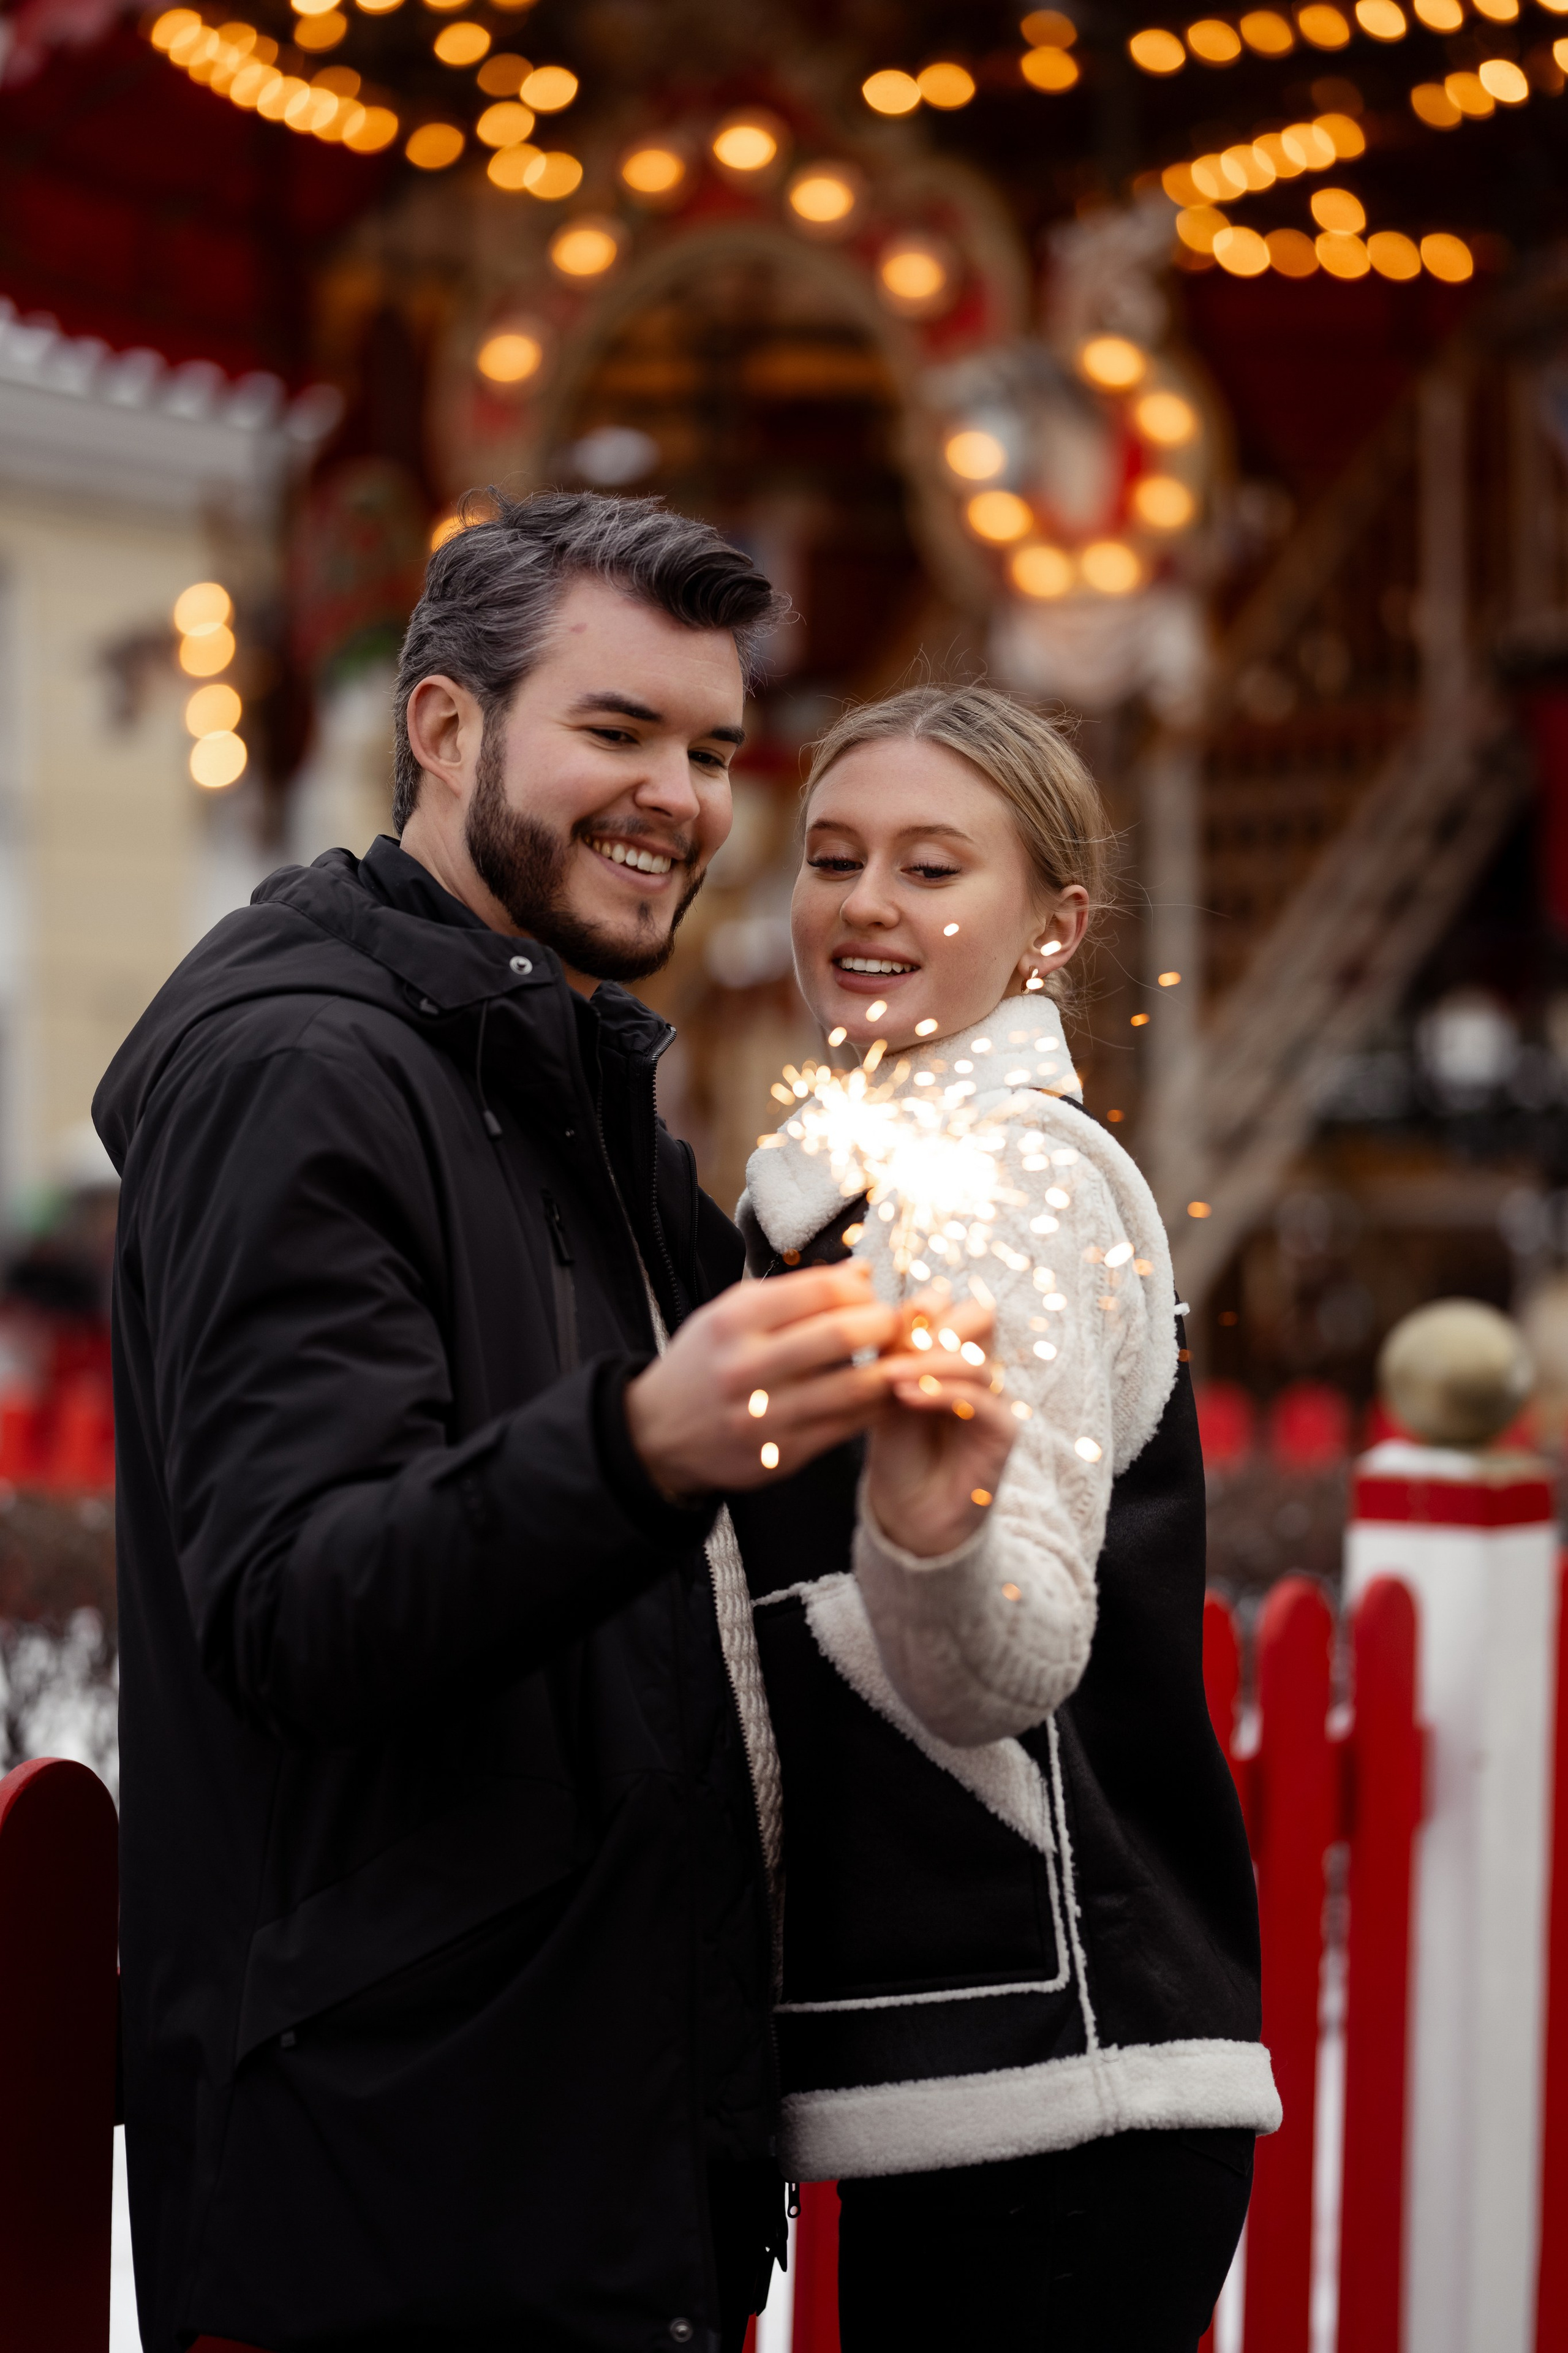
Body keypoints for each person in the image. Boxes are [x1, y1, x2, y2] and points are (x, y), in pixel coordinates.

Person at [93, 494, 1000, 2353]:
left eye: (712, 747)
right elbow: (297, 1599)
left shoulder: (562, 1078)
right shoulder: (304, 1075)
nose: (678, 792)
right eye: (617, 730)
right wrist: (645, 1442)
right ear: (446, 730)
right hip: (393, 2206)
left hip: (582, 2167)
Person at [730, 685, 1281, 2353]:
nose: (867, 902)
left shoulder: (1009, 1184)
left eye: (929, 864)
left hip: (1059, 2075)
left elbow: (1016, 1648)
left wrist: (929, 1533)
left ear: (1055, 924)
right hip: (982, 2056)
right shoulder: (853, 1184)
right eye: (834, 856)